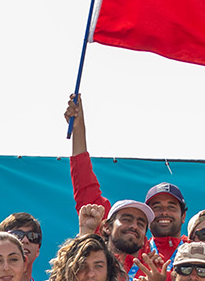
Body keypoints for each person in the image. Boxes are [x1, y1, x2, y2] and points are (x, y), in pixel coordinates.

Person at [65, 93, 187, 262]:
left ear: (183, 216)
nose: (164, 212)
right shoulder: (134, 245)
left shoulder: (194, 250)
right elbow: (85, 188)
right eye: (156, 206)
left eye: (171, 206)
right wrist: (78, 130)